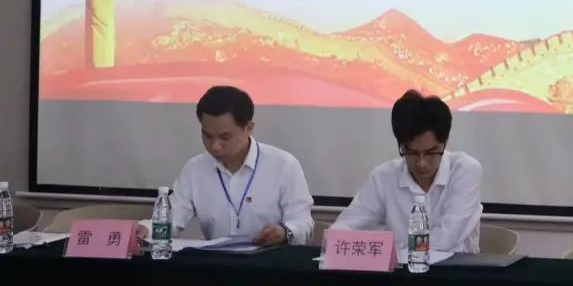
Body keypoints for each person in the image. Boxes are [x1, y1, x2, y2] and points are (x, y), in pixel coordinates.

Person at [159, 85, 314, 245]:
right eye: (207, 136)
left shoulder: (283, 165)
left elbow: (303, 223)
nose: (215, 146)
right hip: (216, 259)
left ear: (249, 128)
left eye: (225, 137)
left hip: (270, 258)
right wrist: (148, 229)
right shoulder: (195, 169)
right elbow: (171, 217)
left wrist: (285, 232)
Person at [331, 90, 482, 253]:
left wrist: (390, 250)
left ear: (444, 142)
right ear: (400, 145)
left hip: (455, 268)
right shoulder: (383, 177)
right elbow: (342, 229)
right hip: (400, 269)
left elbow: (446, 239)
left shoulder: (464, 170)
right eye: (412, 153)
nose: (421, 163)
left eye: (431, 152)